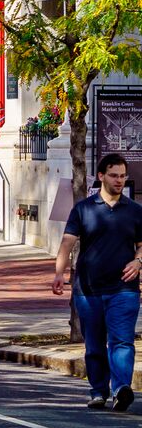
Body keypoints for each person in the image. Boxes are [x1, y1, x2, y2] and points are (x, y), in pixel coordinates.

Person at [54, 153, 142, 412]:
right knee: (94, 344)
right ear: (101, 176)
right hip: (88, 289)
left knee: (122, 341)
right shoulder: (83, 209)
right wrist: (59, 273)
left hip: (124, 290)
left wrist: (138, 262)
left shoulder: (135, 211)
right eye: (114, 175)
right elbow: (68, 242)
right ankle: (98, 391)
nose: (119, 180)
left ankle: (121, 389)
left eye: (123, 176)